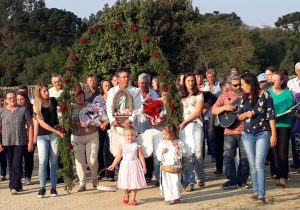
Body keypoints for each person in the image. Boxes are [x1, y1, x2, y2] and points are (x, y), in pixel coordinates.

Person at [237, 72, 277, 204]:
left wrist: (274, 134)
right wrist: (246, 114)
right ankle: (256, 190)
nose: (242, 87)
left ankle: (261, 194)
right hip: (247, 134)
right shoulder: (244, 97)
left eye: (243, 84)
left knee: (259, 163)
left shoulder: (266, 95)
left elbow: (271, 115)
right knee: (252, 164)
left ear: (251, 83)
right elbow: (238, 116)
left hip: (263, 132)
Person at [212, 73, 250, 189]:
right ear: (228, 85)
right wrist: (224, 108)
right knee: (228, 156)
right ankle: (231, 181)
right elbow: (214, 110)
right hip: (229, 131)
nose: (238, 87)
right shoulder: (224, 96)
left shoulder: (247, 95)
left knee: (245, 157)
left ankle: (242, 181)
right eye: (235, 85)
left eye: (240, 84)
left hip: (244, 130)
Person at [33, 83, 64, 198]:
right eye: (44, 91)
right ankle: (42, 188)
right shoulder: (36, 105)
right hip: (43, 136)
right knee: (43, 161)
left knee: (54, 162)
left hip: (54, 135)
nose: (47, 93)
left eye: (47, 90)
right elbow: (42, 123)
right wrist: (57, 132)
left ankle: (53, 188)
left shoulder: (54, 101)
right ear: (39, 93)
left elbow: (63, 112)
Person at [0, 91, 34, 195]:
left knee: (17, 163)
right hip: (7, 141)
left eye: (14, 97)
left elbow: (30, 126)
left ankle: (13, 186)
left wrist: (31, 141)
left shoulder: (23, 110)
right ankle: (18, 185)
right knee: (11, 164)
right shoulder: (2, 111)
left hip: (20, 141)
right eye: (9, 98)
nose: (12, 99)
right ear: (5, 100)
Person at [178, 73, 205, 192]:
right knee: (188, 154)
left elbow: (198, 111)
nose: (191, 83)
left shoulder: (199, 94)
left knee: (198, 152)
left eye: (192, 80)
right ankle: (189, 181)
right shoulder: (180, 95)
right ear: (184, 82)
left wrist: (186, 121)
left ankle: (200, 176)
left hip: (196, 124)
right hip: (184, 127)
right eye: (188, 81)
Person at [108, 126, 147, 205]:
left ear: (135, 135)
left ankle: (133, 198)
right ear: (124, 136)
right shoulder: (122, 145)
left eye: (132, 135)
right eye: (128, 135)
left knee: (134, 182)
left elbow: (141, 156)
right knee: (124, 182)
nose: (130, 137)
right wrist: (113, 165)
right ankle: (126, 194)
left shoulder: (137, 145)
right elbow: (118, 156)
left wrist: (144, 166)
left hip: (135, 165)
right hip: (125, 165)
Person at [71, 85, 100, 192]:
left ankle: (94, 178)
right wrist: (79, 124)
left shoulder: (91, 106)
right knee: (79, 161)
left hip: (91, 136)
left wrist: (89, 122)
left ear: (84, 96)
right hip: (77, 137)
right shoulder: (71, 108)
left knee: (92, 160)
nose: (79, 97)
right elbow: (68, 123)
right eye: (76, 96)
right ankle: (82, 183)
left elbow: (98, 120)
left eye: (81, 95)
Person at [268, 71, 294, 186]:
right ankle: (275, 173)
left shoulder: (288, 93)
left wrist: (290, 111)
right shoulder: (267, 93)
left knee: (282, 150)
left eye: (276, 79)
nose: (273, 81)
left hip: (284, 124)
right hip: (270, 124)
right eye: (272, 79)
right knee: (273, 150)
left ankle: (283, 176)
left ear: (282, 81)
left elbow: (291, 108)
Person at [136, 73, 159, 183]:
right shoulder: (133, 93)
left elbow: (157, 111)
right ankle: (139, 175)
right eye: (142, 83)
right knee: (138, 151)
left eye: (146, 83)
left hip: (149, 126)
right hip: (135, 127)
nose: (144, 85)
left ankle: (148, 175)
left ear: (149, 83)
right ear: (138, 83)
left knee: (148, 150)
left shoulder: (154, 95)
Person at [156, 123, 185, 205]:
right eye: (163, 134)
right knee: (166, 182)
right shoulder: (162, 143)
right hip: (166, 166)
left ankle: (176, 197)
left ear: (172, 133)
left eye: (166, 134)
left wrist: (177, 148)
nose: (164, 136)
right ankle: (168, 198)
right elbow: (158, 154)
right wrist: (162, 152)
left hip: (175, 166)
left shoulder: (178, 142)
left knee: (175, 182)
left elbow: (181, 155)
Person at [16, 91, 35, 186]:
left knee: (28, 157)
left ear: (26, 99)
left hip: (29, 136)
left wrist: (32, 138)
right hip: (19, 137)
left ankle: (28, 176)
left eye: (21, 99)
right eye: (18, 99)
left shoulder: (31, 108)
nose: (19, 101)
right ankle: (19, 176)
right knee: (18, 158)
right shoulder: (15, 109)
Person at [287, 62, 300, 170]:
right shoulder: (290, 83)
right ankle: (297, 162)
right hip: (294, 115)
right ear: (295, 71)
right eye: (299, 70)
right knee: (295, 138)